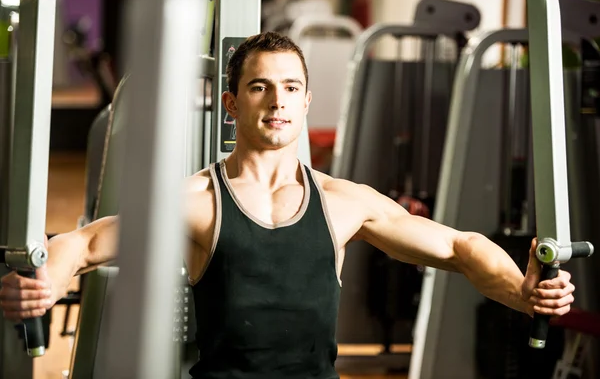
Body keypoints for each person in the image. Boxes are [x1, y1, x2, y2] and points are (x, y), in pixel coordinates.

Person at [0, 32, 575, 378]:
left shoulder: (342, 202)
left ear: (305, 102)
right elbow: (88, 242)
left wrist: (521, 292)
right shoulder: (197, 201)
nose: (278, 101)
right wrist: (45, 281)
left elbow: (458, 246)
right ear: (231, 104)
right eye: (259, 87)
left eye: (292, 88)